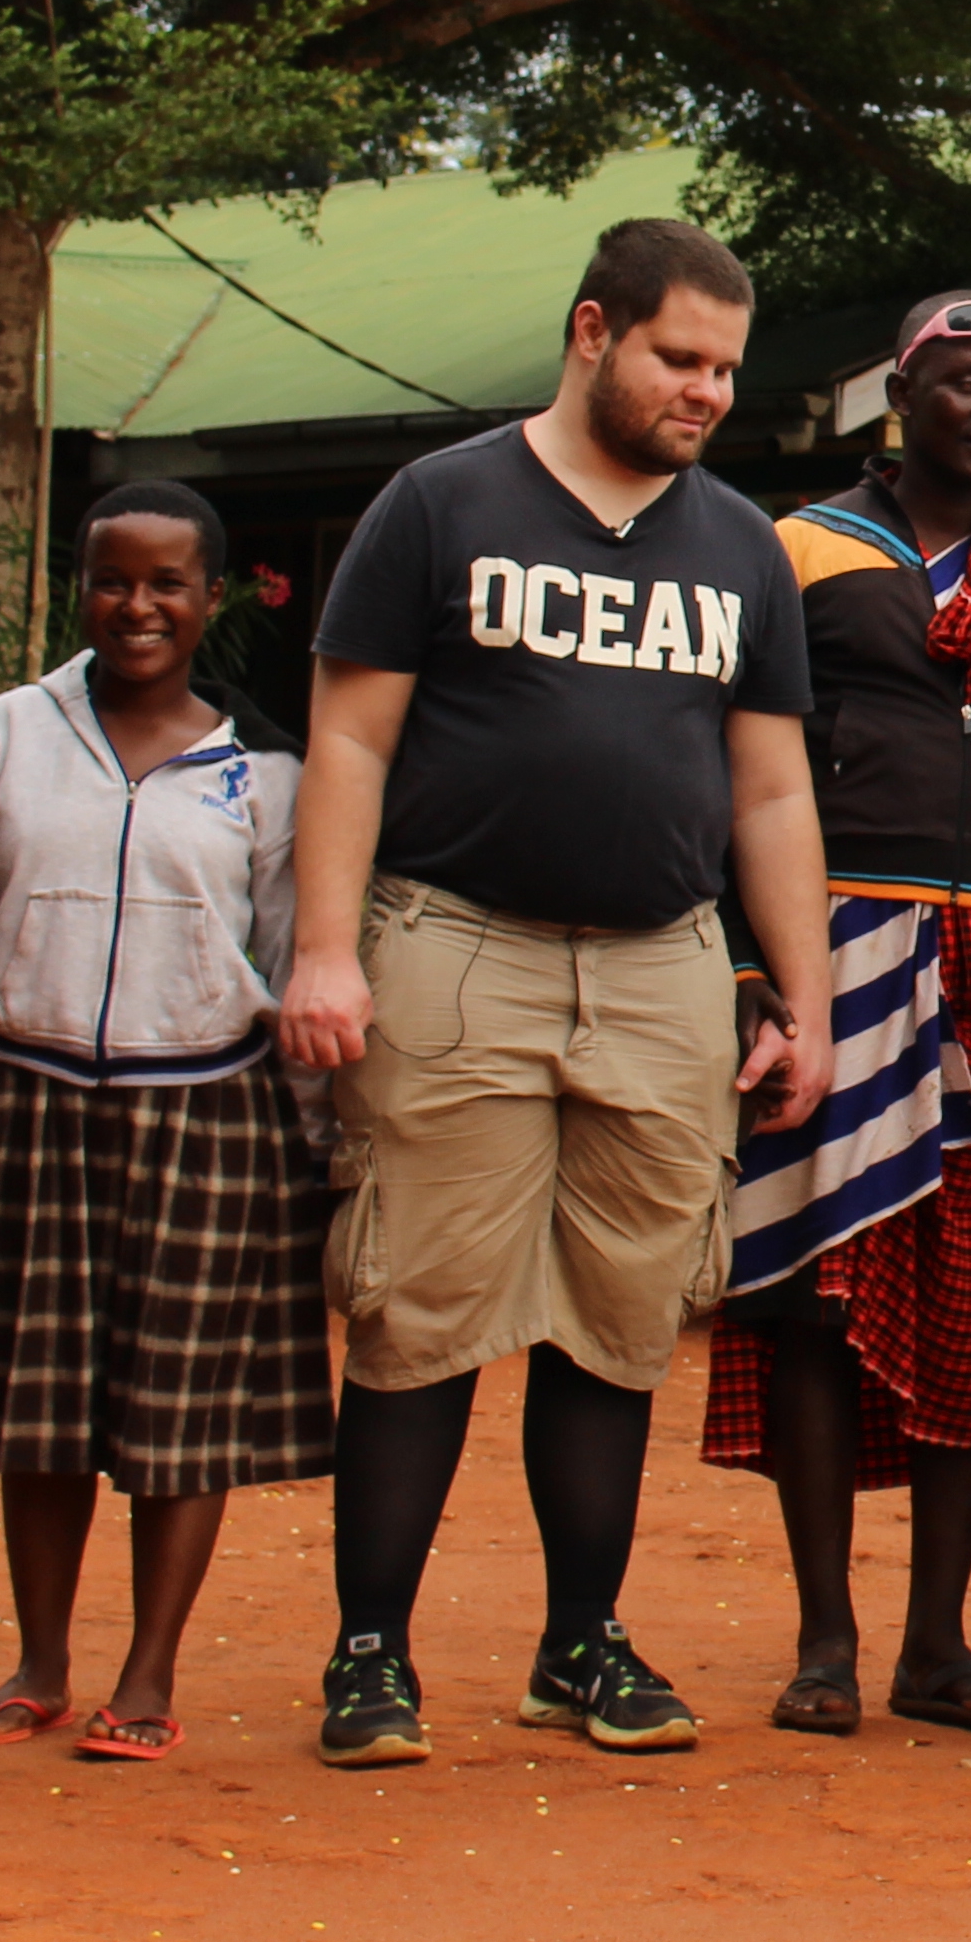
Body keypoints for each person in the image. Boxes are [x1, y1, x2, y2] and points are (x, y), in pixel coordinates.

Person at [282, 215, 833, 1771]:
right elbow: (352, 746)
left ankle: (577, 1646)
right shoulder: (441, 502)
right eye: (679, 358)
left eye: (725, 369)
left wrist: (799, 995)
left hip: (665, 965)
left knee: (618, 1321)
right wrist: (326, 952)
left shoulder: (738, 543)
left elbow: (773, 793)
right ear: (594, 332)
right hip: (457, 947)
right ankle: (369, 1657)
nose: (707, 392)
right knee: (420, 1314)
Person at [696, 289, 971, 1739]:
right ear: (904, 394)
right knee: (822, 1294)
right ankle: (826, 1640)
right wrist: (756, 971)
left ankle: (937, 1643)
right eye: (967, 383)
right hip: (839, 953)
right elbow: (745, 766)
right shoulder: (800, 549)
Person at [0, 480, 326, 1764]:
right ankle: (37, 1663)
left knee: (182, 1412)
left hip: (206, 1112)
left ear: (213, 597)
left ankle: (148, 1673)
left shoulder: (266, 770)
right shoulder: (7, 734)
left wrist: (320, 1138)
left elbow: (297, 963)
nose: (138, 606)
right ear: (79, 590)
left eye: (168, 584)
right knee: (46, 1399)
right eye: (112, 580)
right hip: (33, 1099)